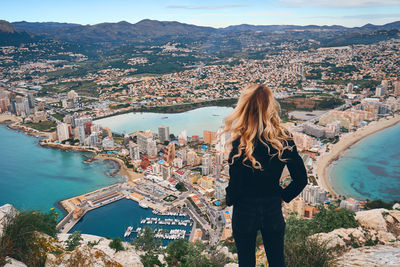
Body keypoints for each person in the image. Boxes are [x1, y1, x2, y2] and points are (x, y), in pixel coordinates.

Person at [221, 84, 308, 267]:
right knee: (277, 262)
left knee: (246, 262)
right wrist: (283, 196)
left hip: (244, 211)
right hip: (272, 209)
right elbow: (301, 179)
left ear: (245, 108)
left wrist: (228, 200)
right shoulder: (283, 139)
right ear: (270, 106)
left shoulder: (240, 144)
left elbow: (235, 186)